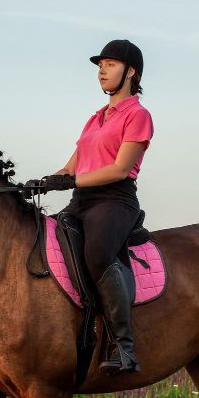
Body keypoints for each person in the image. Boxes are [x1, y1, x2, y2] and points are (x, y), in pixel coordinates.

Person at [39, 39, 153, 376]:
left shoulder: (138, 115)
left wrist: (71, 181)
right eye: (100, 65)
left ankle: (123, 346)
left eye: (110, 64)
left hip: (114, 199)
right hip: (82, 201)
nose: (101, 70)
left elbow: (119, 169)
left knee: (98, 254)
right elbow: (71, 167)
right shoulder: (95, 119)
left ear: (131, 72)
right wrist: (45, 181)